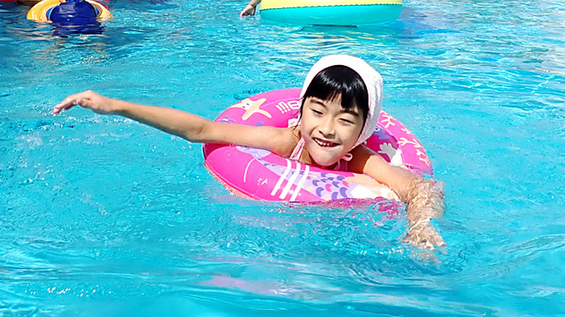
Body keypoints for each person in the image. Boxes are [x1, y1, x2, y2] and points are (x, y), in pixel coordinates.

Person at [53, 54, 445, 249]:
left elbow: (421, 189)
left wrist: (420, 227)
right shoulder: (288, 142)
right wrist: (114, 105)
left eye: (346, 119)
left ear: (365, 129)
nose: (327, 129)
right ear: (301, 111)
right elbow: (203, 130)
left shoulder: (359, 158)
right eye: (318, 111)